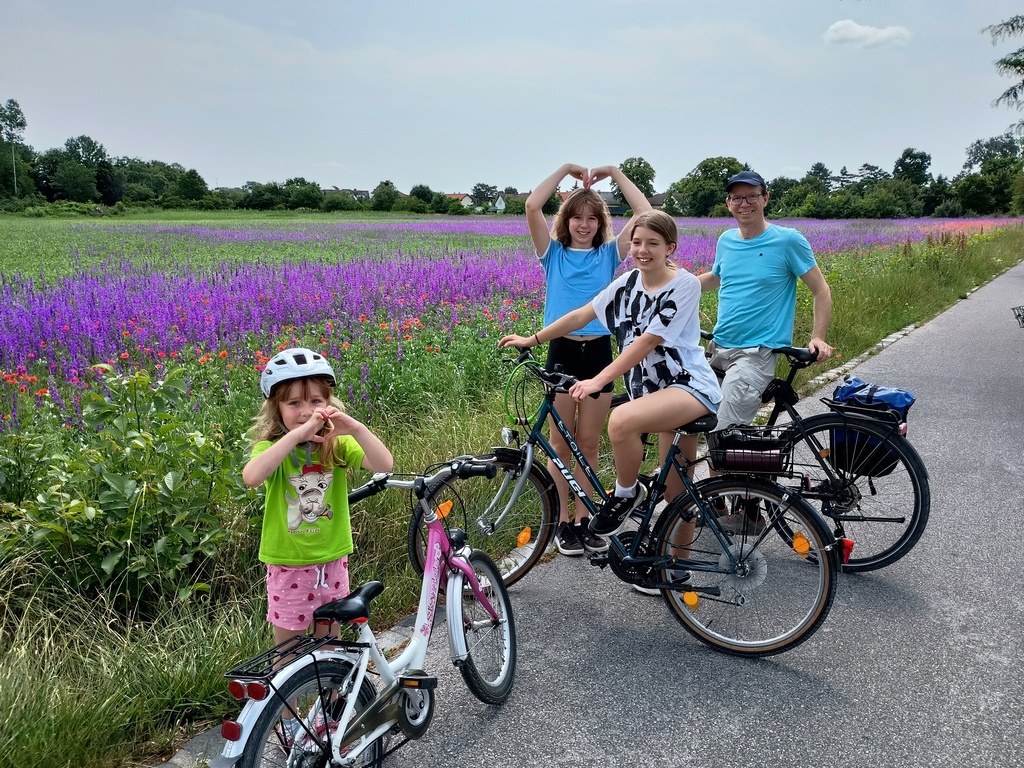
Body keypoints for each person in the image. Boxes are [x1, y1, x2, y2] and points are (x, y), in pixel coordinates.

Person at [500, 210, 722, 542]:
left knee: (620, 423)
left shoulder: (684, 285)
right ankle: (668, 569)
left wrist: (599, 379)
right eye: (636, 243)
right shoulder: (628, 283)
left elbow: (649, 341)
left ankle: (625, 494)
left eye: (653, 243)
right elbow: (580, 315)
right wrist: (533, 340)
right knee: (674, 495)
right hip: (651, 394)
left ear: (670, 248)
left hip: (687, 388)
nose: (642, 250)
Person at [523, 163, 652, 557]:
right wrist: (565, 170)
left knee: (589, 442)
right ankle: (561, 522)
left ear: (601, 223)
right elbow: (531, 205)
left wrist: (614, 172)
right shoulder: (553, 254)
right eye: (577, 217)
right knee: (560, 444)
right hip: (560, 351)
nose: (584, 224)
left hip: (598, 351)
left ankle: (584, 519)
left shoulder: (609, 254)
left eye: (592, 218)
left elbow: (645, 212)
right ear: (567, 221)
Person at [699, 170, 833, 534]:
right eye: (736, 198)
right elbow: (716, 278)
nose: (743, 203)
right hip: (718, 347)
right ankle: (722, 502)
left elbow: (821, 290)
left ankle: (750, 510)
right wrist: (676, 285)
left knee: (725, 431)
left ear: (765, 198)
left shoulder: (787, 241)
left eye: (750, 196)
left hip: (755, 353)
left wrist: (817, 337)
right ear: (728, 203)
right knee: (697, 422)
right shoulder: (726, 240)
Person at [242, 347, 393, 649]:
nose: (306, 411)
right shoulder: (274, 449)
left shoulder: (335, 444)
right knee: (288, 652)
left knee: (330, 646)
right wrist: (296, 437)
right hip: (288, 565)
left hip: (333, 561)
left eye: (315, 401)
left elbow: (383, 464)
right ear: (277, 408)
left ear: (327, 403)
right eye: (294, 403)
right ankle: (290, 697)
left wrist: (357, 429)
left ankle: (333, 696)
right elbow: (252, 476)